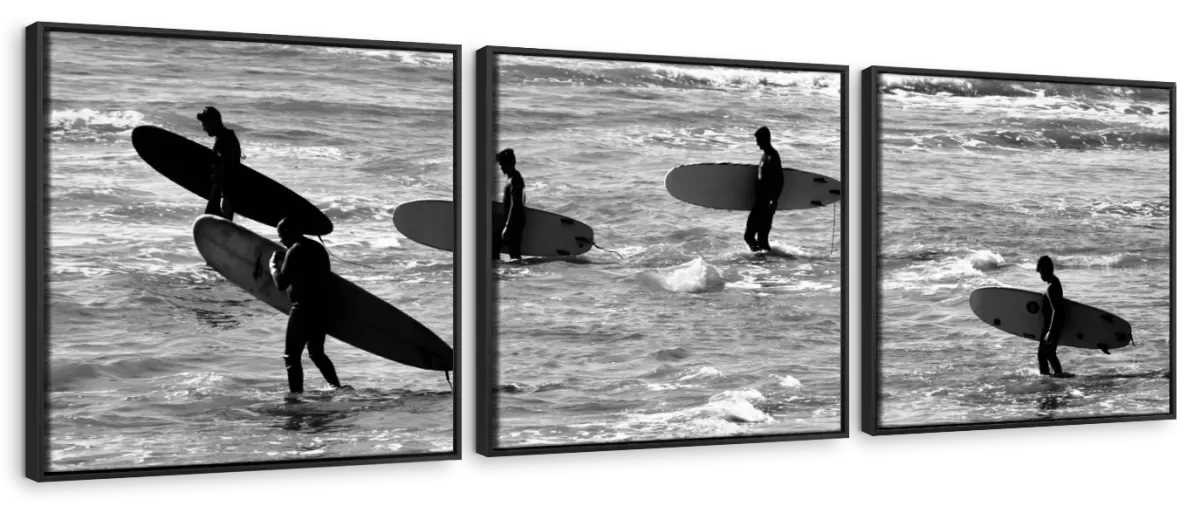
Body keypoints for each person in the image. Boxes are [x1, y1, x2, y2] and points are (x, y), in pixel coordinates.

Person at [270, 217, 350, 398]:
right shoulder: (316, 248)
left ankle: (295, 397)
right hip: (322, 307)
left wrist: (273, 264)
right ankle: (336, 388)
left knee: (291, 356)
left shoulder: (296, 249)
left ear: (290, 232)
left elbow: (281, 283)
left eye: (281, 235)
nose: (281, 239)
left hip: (303, 308)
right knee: (316, 352)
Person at [197, 106, 241, 221]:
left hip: (223, 193)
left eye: (204, 124)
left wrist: (224, 197)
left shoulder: (227, 140)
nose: (204, 128)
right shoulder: (222, 137)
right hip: (219, 192)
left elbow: (229, 170)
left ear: (213, 122)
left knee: (211, 227)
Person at [744, 126, 784, 253]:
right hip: (760, 201)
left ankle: (763, 261)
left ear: (765, 139)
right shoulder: (765, 155)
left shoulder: (773, 157)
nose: (757, 143)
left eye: (758, 140)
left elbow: (780, 180)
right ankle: (764, 261)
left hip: (766, 202)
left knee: (754, 237)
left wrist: (774, 200)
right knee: (758, 238)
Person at [1036, 255, 1071, 378]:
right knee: (1048, 354)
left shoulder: (1052, 287)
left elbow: (1057, 310)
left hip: (1051, 326)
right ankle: (1055, 377)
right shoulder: (1055, 283)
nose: (1040, 276)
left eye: (1040, 272)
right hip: (1052, 325)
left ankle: (1049, 378)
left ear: (1044, 270)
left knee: (1044, 354)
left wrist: (1050, 332)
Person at [494, 148, 526, 262]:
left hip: (514, 223)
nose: (501, 167)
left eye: (502, 164)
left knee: (514, 253)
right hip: (513, 221)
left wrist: (507, 226)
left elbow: (516, 203)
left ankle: (518, 273)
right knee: (495, 245)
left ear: (508, 163)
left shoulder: (515, 179)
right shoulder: (512, 178)